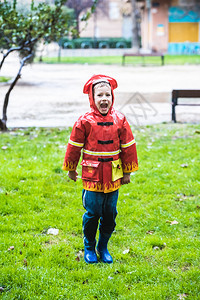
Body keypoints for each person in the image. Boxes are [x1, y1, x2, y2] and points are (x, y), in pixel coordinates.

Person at [63, 74, 138, 264]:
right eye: (99, 95)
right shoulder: (84, 121)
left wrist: (127, 172)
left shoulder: (120, 119)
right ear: (92, 98)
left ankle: (103, 246)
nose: (104, 99)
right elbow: (74, 146)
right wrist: (71, 169)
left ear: (112, 97)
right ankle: (89, 246)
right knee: (93, 211)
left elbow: (128, 146)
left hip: (113, 175)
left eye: (108, 95)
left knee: (110, 214)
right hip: (92, 175)